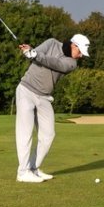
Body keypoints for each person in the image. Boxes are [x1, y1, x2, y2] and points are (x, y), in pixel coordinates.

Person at [15, 33, 89, 182]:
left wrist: (35, 54)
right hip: (26, 90)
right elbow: (35, 54)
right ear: (73, 45)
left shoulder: (71, 63)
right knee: (25, 132)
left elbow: (55, 63)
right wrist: (29, 51)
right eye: (80, 51)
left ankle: (33, 168)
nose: (81, 56)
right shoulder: (51, 43)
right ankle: (23, 172)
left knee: (48, 135)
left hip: (44, 97)